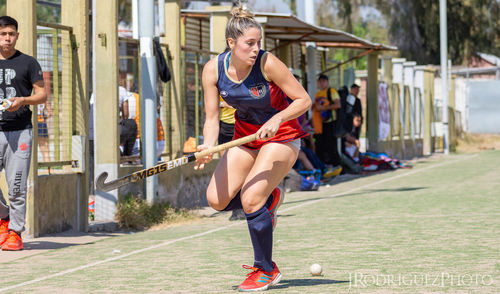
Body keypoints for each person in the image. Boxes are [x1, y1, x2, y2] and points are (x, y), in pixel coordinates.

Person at [195, 6, 311, 292]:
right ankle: (269, 200)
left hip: (281, 136)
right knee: (216, 200)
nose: (256, 48)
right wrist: (208, 146)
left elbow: (303, 100)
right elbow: (211, 118)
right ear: (231, 43)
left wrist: (277, 117)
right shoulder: (212, 69)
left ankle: (266, 269)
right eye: (250, 43)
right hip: (246, 138)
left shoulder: (268, 63)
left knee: (250, 197)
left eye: (259, 42)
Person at [0, 16, 47, 250]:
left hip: (20, 132)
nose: (7, 38)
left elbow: (42, 95)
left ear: (17, 35)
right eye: (3, 34)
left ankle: (15, 233)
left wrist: (24, 100)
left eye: (11, 33)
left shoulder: (28, 63)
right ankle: (3, 218)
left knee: (16, 185)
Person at [311, 74, 341, 167]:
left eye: (324, 81)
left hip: (330, 123)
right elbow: (315, 107)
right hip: (320, 124)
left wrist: (323, 107)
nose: (322, 83)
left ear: (327, 82)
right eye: (320, 81)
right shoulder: (318, 94)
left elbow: (338, 105)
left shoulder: (331, 91)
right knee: (321, 146)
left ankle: (336, 165)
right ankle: (324, 165)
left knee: (331, 146)